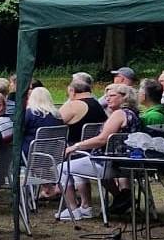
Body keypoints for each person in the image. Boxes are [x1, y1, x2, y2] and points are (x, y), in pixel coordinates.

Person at [57, 84, 142, 221]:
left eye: (112, 96)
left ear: (125, 97)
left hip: (109, 164)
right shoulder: (133, 114)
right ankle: (120, 198)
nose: (107, 99)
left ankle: (73, 209)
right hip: (126, 163)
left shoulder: (119, 114)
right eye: (107, 96)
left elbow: (102, 139)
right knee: (80, 164)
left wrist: (75, 146)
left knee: (62, 168)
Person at [19, 86, 64, 153]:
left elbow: (17, 132)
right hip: (54, 153)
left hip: (31, 153)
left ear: (31, 98)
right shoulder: (57, 115)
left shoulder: (29, 114)